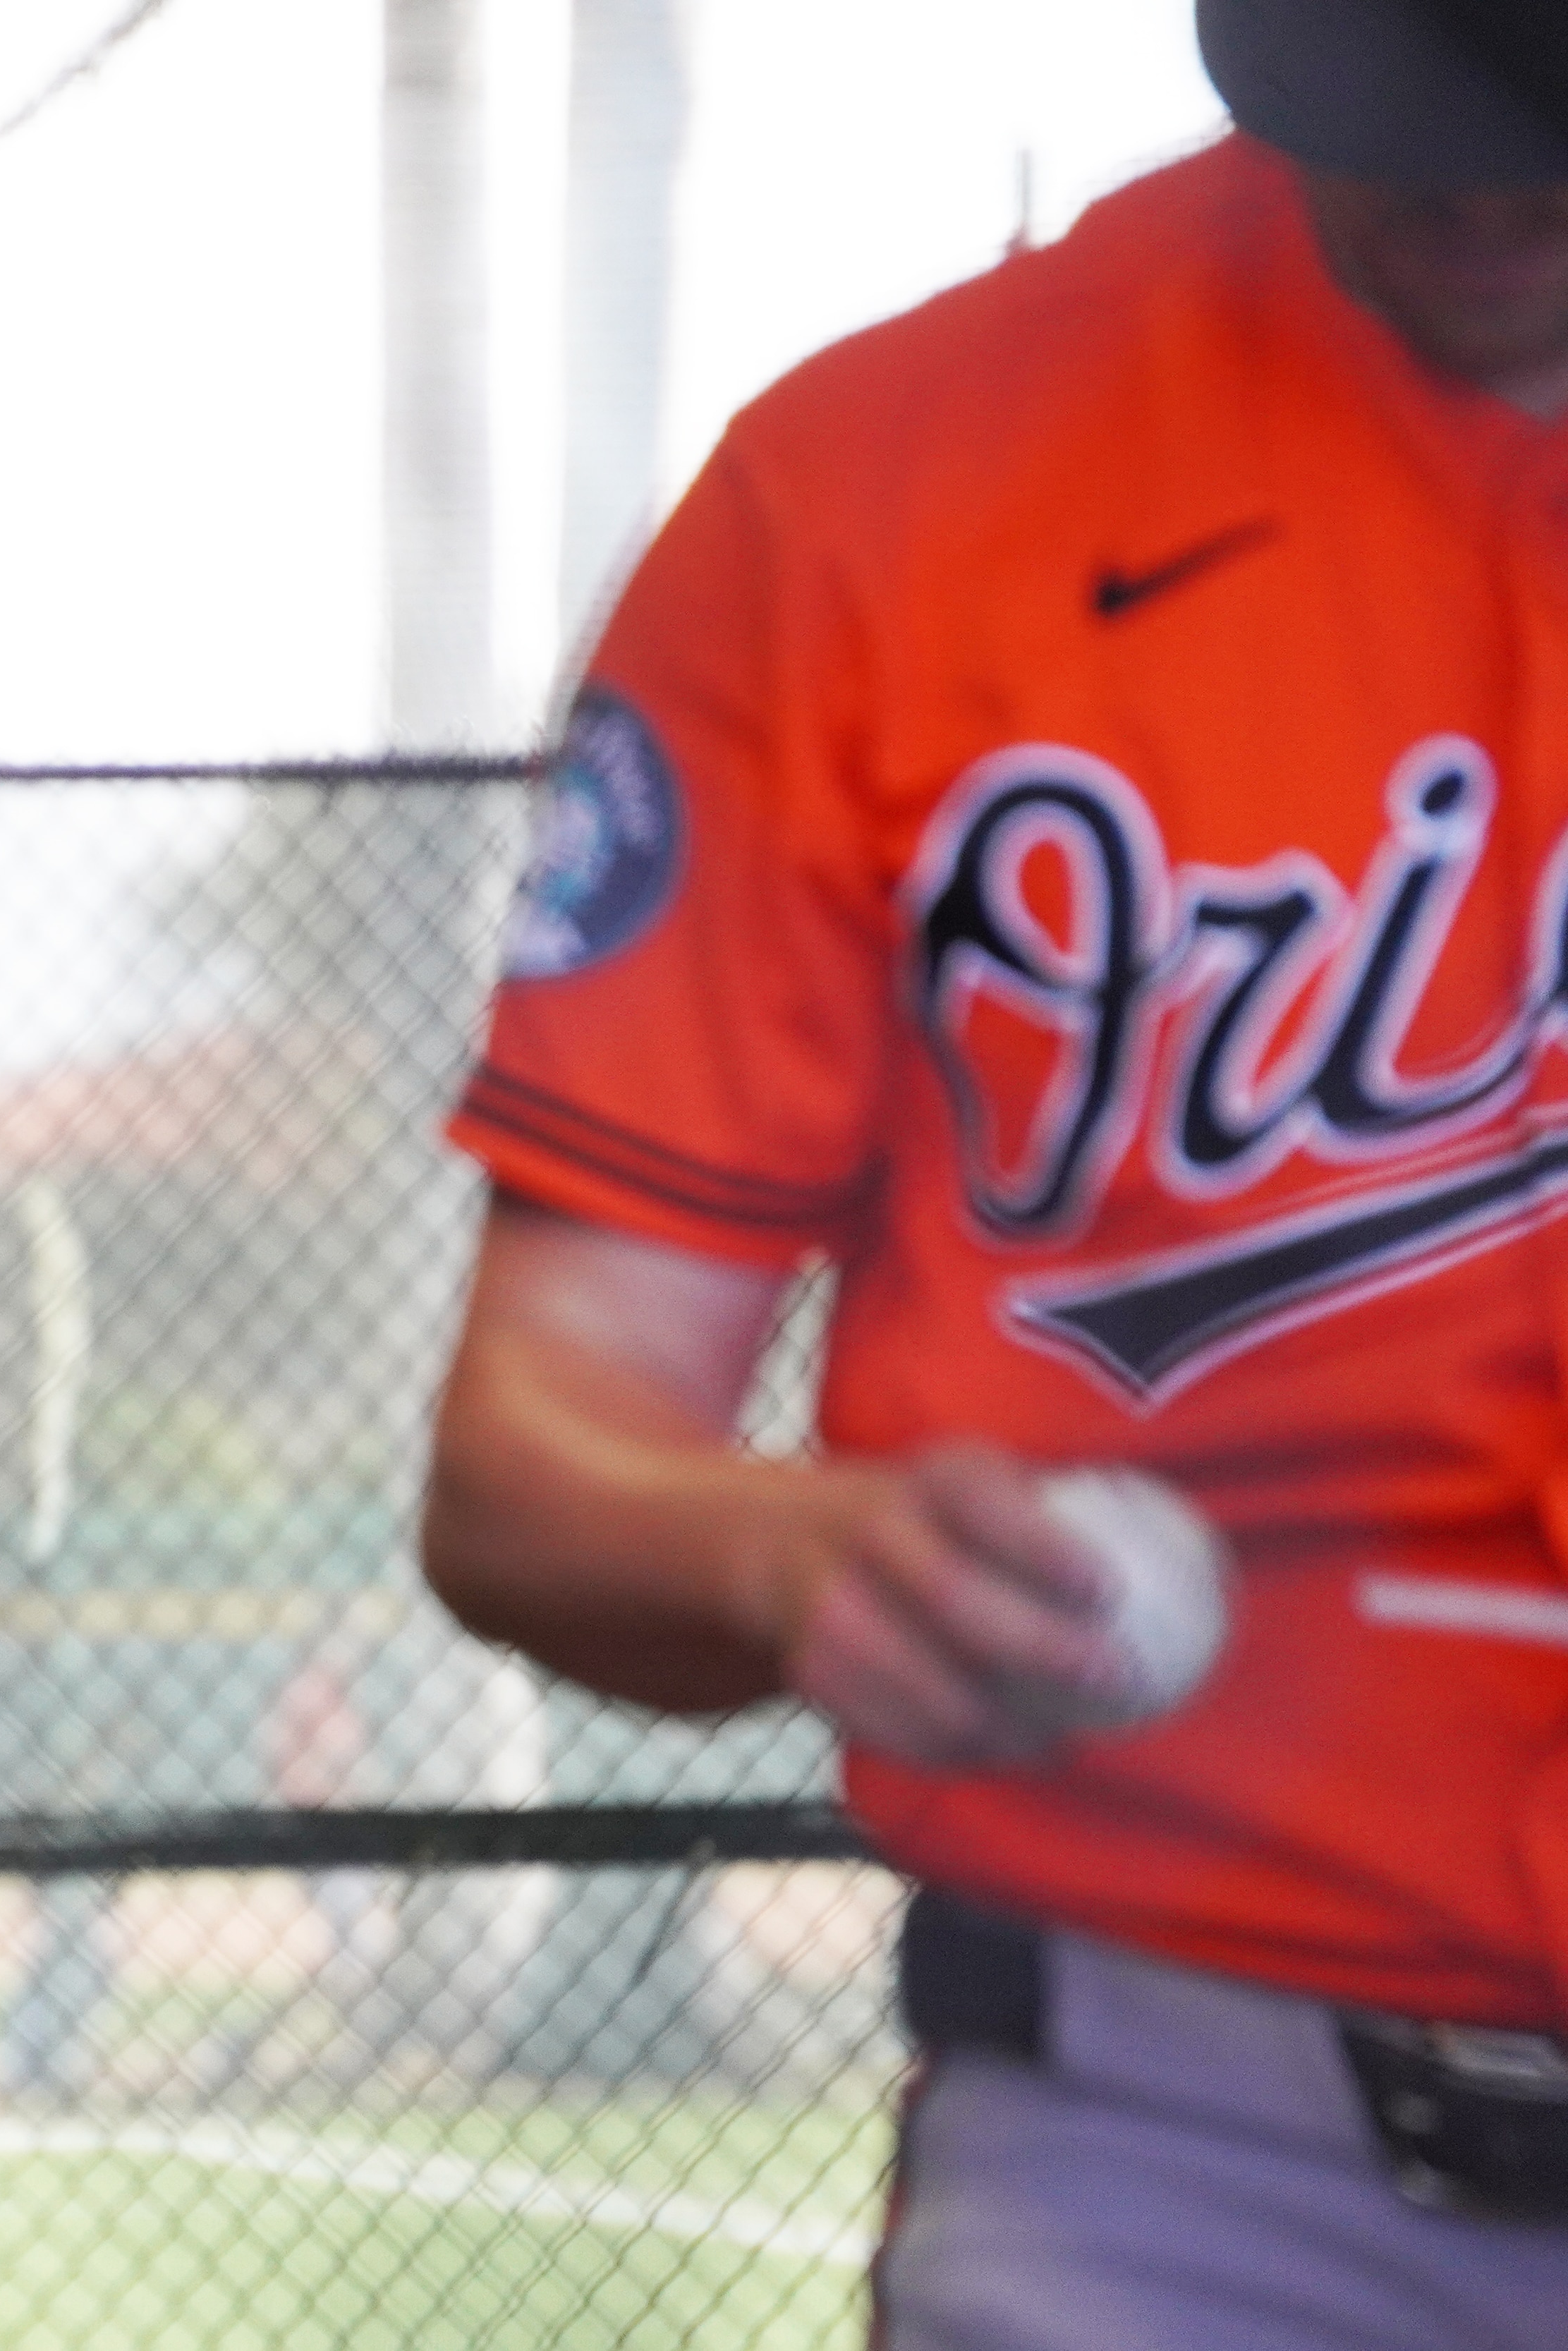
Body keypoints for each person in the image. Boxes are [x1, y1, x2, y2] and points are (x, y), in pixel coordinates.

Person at [422, 0, 1568, 2343]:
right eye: (1412, 108)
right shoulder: (903, 480)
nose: (1474, 189)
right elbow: (534, 1458)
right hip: (1186, 2163)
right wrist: (781, 1542)